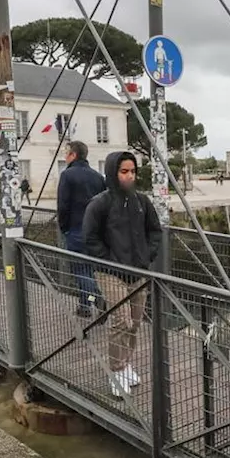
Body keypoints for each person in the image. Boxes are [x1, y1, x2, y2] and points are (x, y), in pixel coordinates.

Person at [82, 150, 162, 397]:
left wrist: (146, 257)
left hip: (137, 271)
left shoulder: (142, 202)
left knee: (135, 323)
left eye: (133, 171)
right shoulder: (100, 203)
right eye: (124, 171)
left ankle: (126, 364)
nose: (129, 176)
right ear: (113, 173)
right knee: (120, 320)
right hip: (110, 272)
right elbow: (90, 238)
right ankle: (116, 372)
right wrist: (109, 261)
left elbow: (155, 231)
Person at [56, 141, 106, 317]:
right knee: (90, 269)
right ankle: (85, 306)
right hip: (96, 232)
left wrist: (64, 228)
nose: (65, 156)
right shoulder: (98, 177)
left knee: (80, 270)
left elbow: (63, 205)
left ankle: (97, 298)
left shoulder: (67, 175)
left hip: (76, 230)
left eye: (66, 153)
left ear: (73, 155)